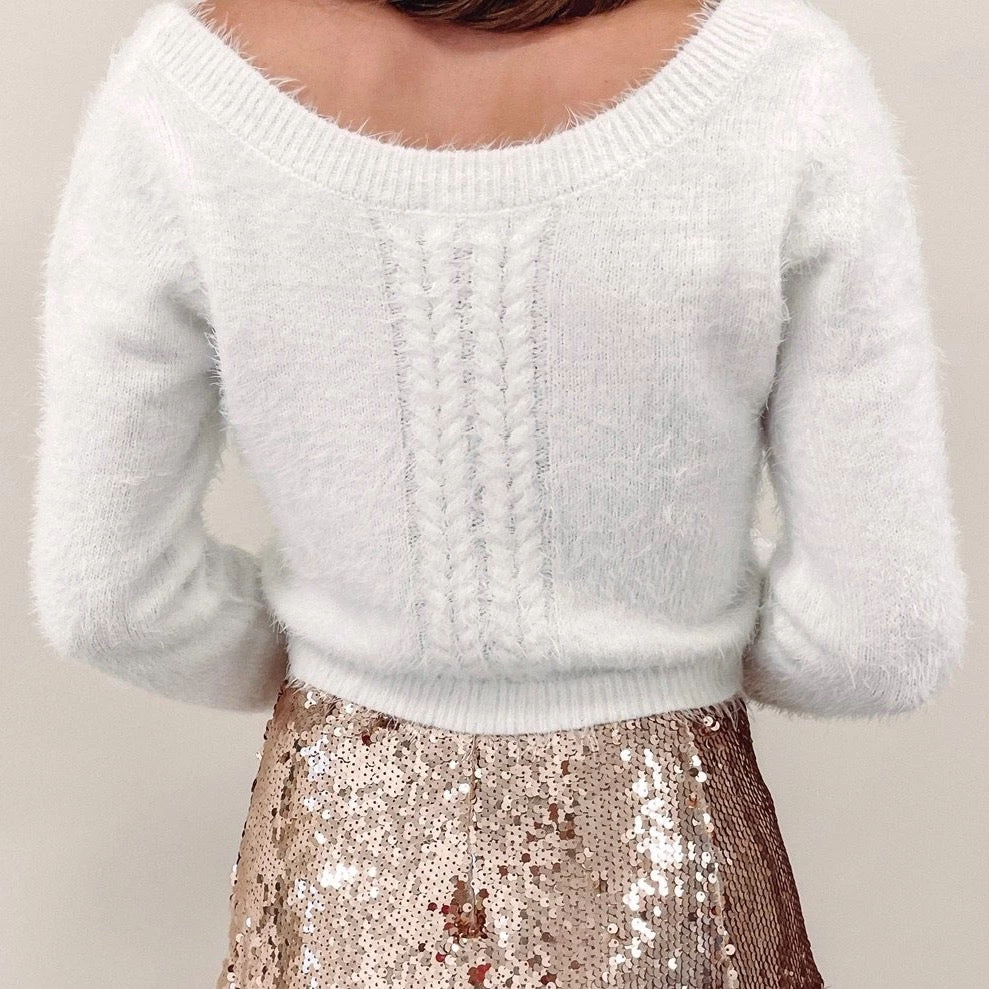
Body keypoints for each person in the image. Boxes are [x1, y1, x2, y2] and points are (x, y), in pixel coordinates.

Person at [28, 0, 968, 985]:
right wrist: (670, 636)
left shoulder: (184, 84)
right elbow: (876, 640)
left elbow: (112, 599)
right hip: (673, 879)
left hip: (341, 882)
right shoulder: (782, 78)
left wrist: (345, 648)